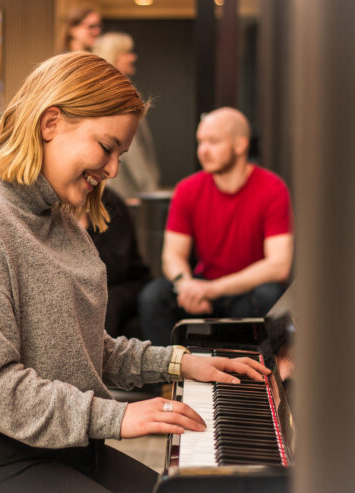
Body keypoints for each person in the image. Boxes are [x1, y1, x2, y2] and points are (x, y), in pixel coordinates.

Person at [0, 52, 270, 492]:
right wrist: (118, 416)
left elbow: (77, 346)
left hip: (51, 443)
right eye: (107, 147)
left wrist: (181, 363)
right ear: (50, 123)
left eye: (121, 153)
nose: (114, 169)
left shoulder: (56, 217)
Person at [138, 107, 293, 347]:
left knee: (270, 295)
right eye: (200, 142)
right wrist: (186, 285)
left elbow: (278, 266)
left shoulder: (272, 189)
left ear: (240, 145)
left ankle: (261, 378)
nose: (203, 151)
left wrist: (212, 289)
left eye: (213, 142)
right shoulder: (188, 189)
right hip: (203, 287)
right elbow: (172, 255)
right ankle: (166, 382)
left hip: (246, 293)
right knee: (153, 296)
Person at [93, 32, 160, 202]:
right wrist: (150, 191)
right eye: (127, 53)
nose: (133, 57)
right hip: (126, 193)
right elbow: (132, 151)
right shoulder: (116, 96)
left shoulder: (103, 92)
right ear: (114, 57)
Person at [81, 186, 151, 339]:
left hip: (125, 282)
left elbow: (113, 268)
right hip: (89, 284)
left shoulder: (109, 201)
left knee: (104, 301)